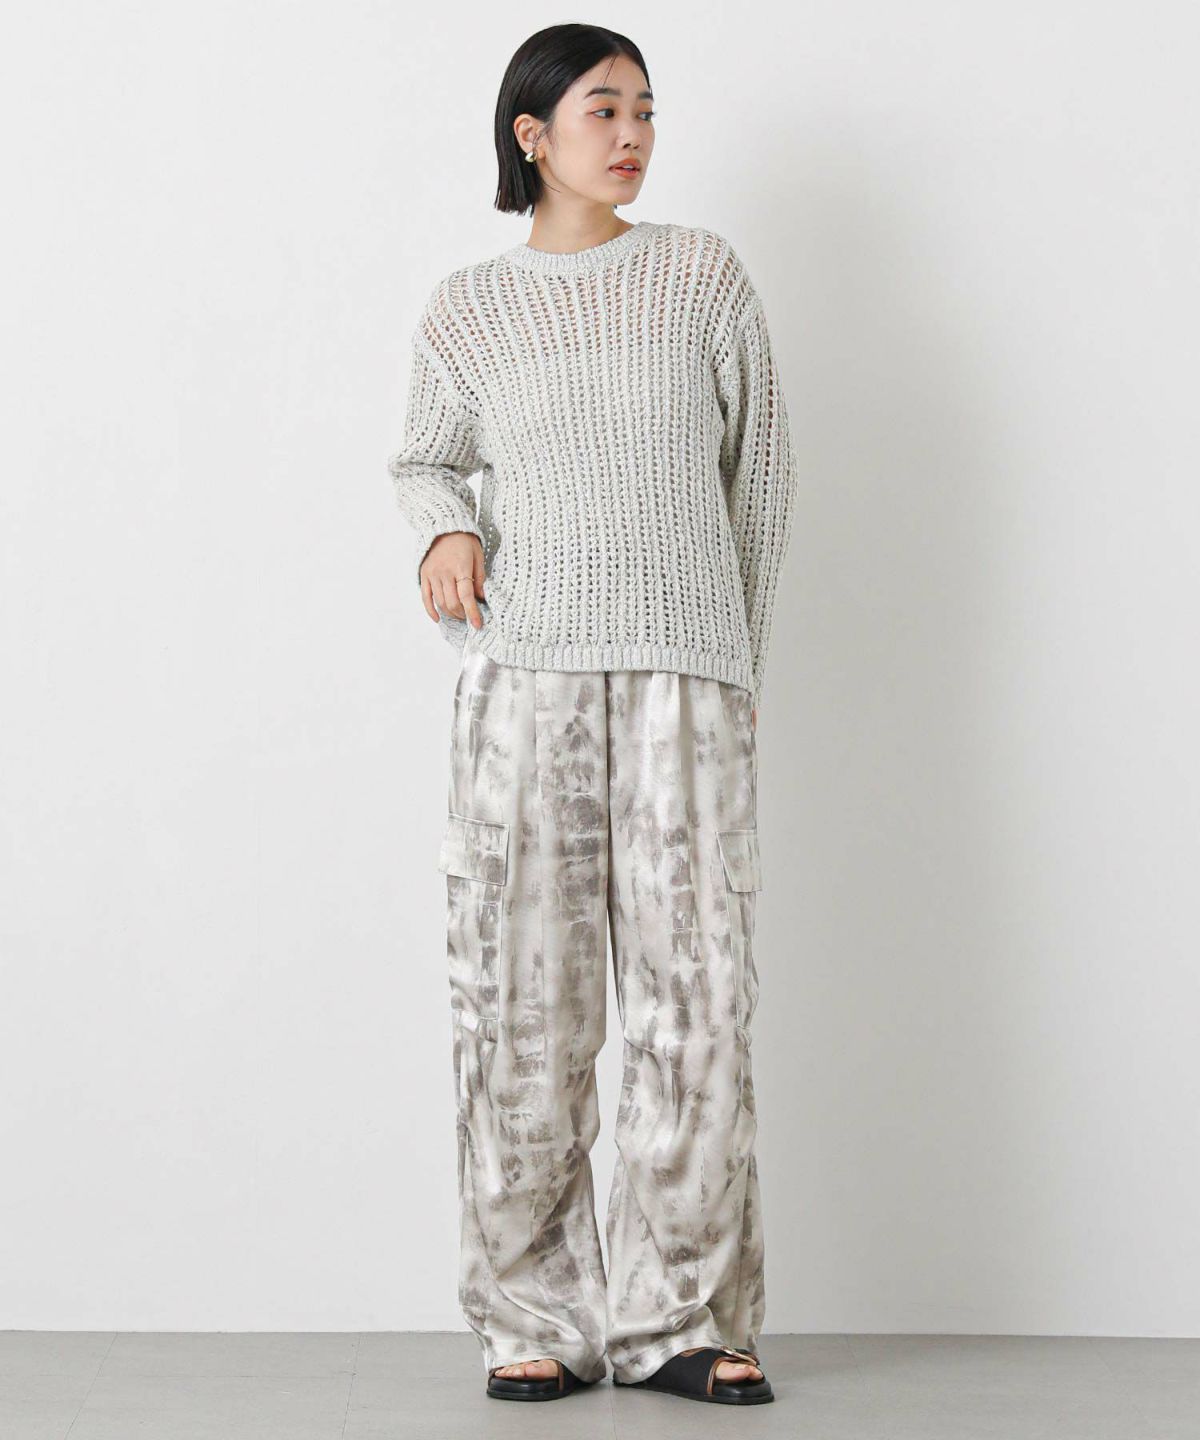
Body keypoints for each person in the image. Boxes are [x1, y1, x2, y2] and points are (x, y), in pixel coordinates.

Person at [387, 22, 798, 1409]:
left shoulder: (702, 276)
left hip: (688, 680)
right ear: (533, 134)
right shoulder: (470, 308)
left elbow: (761, 484)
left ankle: (682, 1316)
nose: (632, 136)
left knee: (697, 1004)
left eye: (646, 111)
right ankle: (532, 1313)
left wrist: (729, 660)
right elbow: (423, 459)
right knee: (521, 1008)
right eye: (602, 110)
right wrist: (445, 527)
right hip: (525, 685)